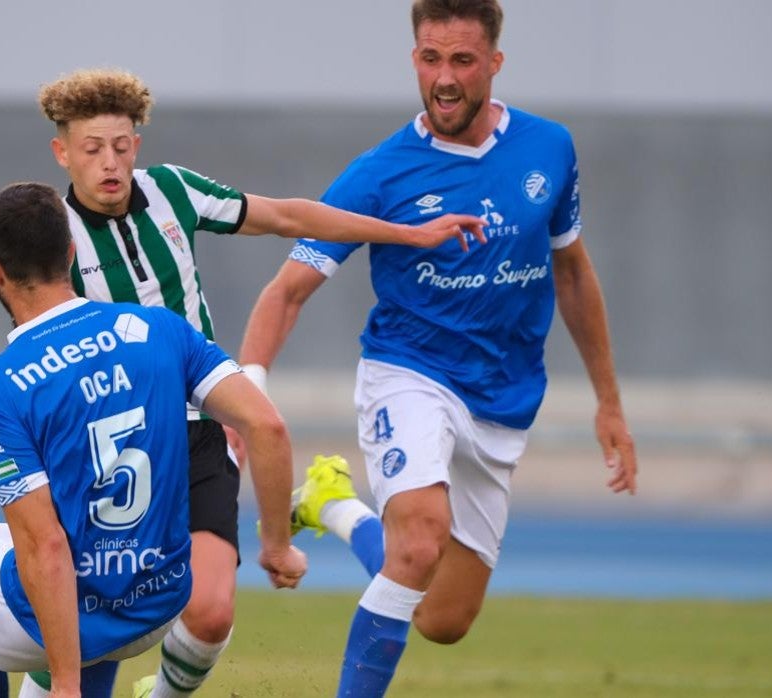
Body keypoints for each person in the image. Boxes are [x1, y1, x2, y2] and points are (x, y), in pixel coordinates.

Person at [36, 68, 484, 698]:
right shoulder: (50, 235)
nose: (109, 162)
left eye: (121, 145)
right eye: (91, 149)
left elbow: (284, 216)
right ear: (62, 153)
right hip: (108, 446)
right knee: (96, 622)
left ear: (137, 143)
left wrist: (407, 233)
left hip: (196, 432)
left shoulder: (171, 192)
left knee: (213, 612)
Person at [234, 1, 639, 694]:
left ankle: (334, 505)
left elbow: (572, 270)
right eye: (430, 59)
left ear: (494, 63)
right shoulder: (380, 175)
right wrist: (246, 388)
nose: (444, 78)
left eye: (461, 60)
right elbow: (285, 290)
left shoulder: (549, 148)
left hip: (502, 399)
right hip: (410, 373)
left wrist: (609, 402)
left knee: (443, 620)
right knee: (420, 541)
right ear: (413, 59)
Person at [0, 181, 307, 697]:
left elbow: (45, 545)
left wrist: (65, 682)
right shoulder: (158, 328)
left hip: (72, 621)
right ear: (70, 252)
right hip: (162, 601)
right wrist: (278, 547)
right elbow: (268, 426)